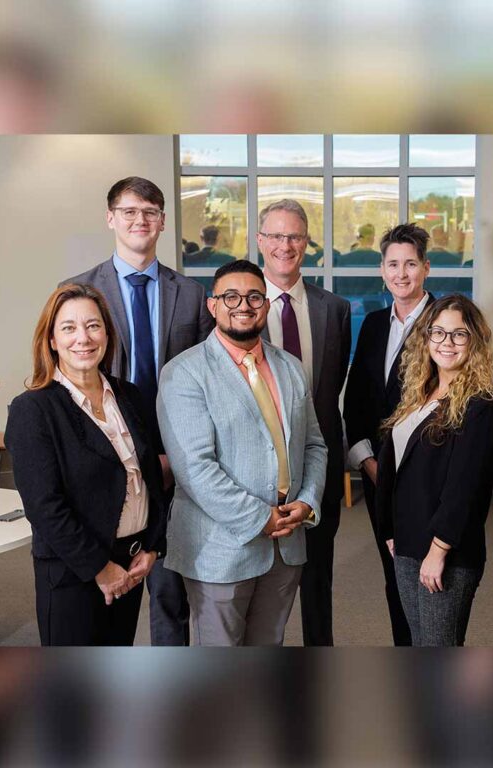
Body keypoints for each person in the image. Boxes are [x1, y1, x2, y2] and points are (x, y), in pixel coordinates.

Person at [63, 176, 214, 647]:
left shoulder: (190, 293)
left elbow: (205, 380)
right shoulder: (80, 291)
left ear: (163, 222)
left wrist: (177, 451)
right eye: (128, 211)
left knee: (169, 591)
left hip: (174, 458)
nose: (139, 220)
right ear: (111, 218)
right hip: (106, 461)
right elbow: (65, 379)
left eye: (149, 212)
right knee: (106, 594)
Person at [156, 260, 327, 646]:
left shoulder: (291, 367)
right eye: (230, 296)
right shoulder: (184, 372)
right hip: (220, 548)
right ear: (212, 305)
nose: (243, 305)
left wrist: (307, 502)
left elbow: (314, 444)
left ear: (266, 305)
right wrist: (260, 519)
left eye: (253, 296)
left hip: (286, 544)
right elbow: (194, 469)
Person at [4, 284, 166, 645]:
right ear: (50, 340)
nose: (83, 338)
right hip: (73, 573)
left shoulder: (129, 395)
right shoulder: (34, 409)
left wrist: (153, 546)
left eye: (93, 326)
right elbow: (45, 507)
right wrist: (100, 568)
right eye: (69, 328)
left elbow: (151, 477)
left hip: (131, 562)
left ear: (107, 334)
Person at [376, 294, 493, 646]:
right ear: (426, 337)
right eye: (439, 332)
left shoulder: (480, 406)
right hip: (406, 542)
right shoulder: (420, 392)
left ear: (474, 341)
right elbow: (398, 467)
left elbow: (465, 490)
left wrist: (438, 551)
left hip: (445, 552)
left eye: (459, 334)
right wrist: (390, 528)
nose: (447, 343)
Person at [257, 199, 351, 646]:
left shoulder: (334, 308)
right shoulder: (238, 305)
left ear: (307, 243)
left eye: (294, 236)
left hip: (320, 463)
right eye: (276, 236)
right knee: (255, 584)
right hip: (256, 471)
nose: (285, 246)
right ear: (260, 241)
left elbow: (331, 391)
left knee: (318, 579)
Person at [343, 222, 434, 645]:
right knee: (394, 580)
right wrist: (366, 461)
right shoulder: (376, 324)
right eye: (393, 264)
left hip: (426, 481)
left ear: (426, 268)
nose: (402, 273)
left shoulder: (445, 322)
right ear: (382, 270)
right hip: (380, 476)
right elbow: (358, 399)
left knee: (431, 584)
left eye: (410, 264)